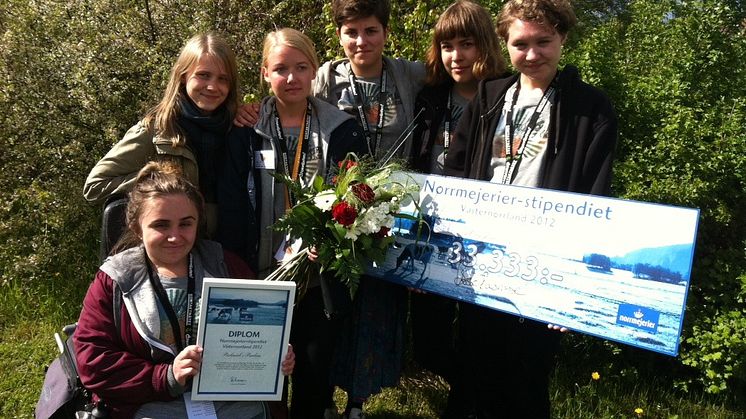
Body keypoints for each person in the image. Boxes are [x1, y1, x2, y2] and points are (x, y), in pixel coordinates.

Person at [443, 0, 618, 417]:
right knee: (472, 373)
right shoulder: (489, 96)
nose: (533, 53)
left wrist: (574, 286)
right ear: (505, 44)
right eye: (521, 44)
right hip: (480, 263)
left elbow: (595, 196)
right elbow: (453, 173)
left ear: (563, 39)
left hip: (545, 267)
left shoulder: (590, 109)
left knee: (527, 379)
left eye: (544, 41)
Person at [220, 28, 367, 419]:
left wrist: (331, 243)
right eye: (281, 68)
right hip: (260, 278)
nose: (292, 78)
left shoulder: (343, 129)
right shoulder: (244, 131)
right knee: (260, 379)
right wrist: (241, 273)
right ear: (265, 72)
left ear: (315, 71)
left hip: (317, 279)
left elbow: (357, 202)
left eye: (301, 67)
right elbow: (233, 206)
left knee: (313, 378)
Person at [74, 161, 295, 419]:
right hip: (150, 405)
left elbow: (259, 333)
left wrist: (274, 354)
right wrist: (165, 377)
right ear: (137, 227)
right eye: (161, 225)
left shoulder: (227, 265)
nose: (175, 236)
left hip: (232, 405)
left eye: (185, 224)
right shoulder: (114, 280)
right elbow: (93, 360)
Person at [311, 1, 427, 418]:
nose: (362, 41)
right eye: (352, 32)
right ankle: (321, 397)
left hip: (390, 214)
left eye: (371, 30)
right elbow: (287, 105)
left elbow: (466, 71)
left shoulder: (407, 74)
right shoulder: (325, 77)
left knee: (375, 309)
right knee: (332, 307)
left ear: (385, 32)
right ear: (339, 34)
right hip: (337, 210)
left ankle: (358, 402)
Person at [407, 1, 505, 417]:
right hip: (433, 232)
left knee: (480, 338)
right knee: (428, 341)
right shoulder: (431, 97)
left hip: (487, 236)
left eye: (467, 44)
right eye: (447, 45)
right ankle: (472, 392)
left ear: (485, 44)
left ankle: (467, 405)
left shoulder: (506, 95)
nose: (456, 56)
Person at [82, 33, 255, 267]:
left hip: (224, 258)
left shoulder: (239, 128)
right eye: (203, 75)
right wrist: (157, 179)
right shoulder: (155, 129)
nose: (213, 86)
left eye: (223, 79)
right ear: (183, 77)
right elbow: (94, 186)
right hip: (167, 259)